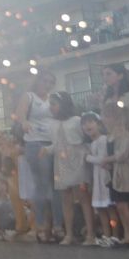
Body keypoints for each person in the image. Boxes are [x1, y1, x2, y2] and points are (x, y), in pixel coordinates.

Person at [97, 64, 129, 246]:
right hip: (112, 139)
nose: (105, 77)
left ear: (121, 75)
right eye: (104, 74)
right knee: (118, 200)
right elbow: (104, 118)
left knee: (127, 197)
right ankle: (128, 235)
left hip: (127, 139)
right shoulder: (107, 97)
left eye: (109, 73)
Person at [11, 69, 57, 242]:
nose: (48, 85)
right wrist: (24, 123)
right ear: (37, 81)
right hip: (35, 142)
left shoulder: (53, 99)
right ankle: (40, 225)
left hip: (52, 143)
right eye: (45, 81)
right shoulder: (29, 96)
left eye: (51, 82)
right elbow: (20, 114)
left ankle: (51, 226)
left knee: (53, 185)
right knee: (42, 184)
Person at [50, 91, 86, 245]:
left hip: (77, 161)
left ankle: (89, 232)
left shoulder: (77, 120)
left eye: (54, 104)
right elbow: (55, 144)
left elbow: (83, 140)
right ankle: (69, 233)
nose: (51, 108)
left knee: (83, 196)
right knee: (66, 197)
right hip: (61, 162)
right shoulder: (52, 123)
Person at [80, 113, 112, 246]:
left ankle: (113, 235)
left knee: (110, 209)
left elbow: (102, 159)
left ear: (99, 124)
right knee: (101, 209)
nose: (87, 125)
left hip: (105, 179)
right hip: (98, 180)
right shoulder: (92, 143)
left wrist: (88, 158)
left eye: (90, 122)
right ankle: (106, 235)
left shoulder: (103, 139)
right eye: (84, 124)